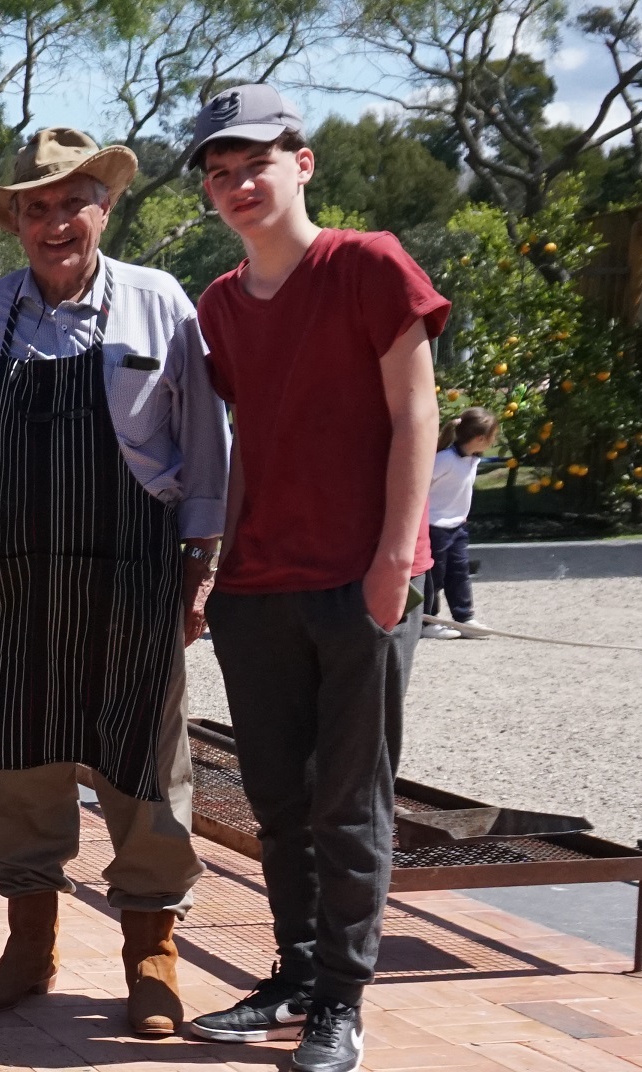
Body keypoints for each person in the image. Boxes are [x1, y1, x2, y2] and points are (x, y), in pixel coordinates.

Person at [0, 128, 230, 1036]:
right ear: (14, 220)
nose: (54, 222)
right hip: (18, 575)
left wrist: (202, 563)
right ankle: (29, 940)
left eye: (71, 202)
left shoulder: (160, 305)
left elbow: (207, 443)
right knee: (17, 758)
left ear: (106, 206)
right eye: (34, 207)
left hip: (134, 570)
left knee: (147, 763)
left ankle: (151, 953)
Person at [186, 85, 448, 1072]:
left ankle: (343, 998)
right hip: (260, 586)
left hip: (361, 580)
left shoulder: (369, 265)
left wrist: (394, 556)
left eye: (254, 162)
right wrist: (217, 564)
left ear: (303, 163)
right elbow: (246, 436)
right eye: (218, 172)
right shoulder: (220, 303)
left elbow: (416, 413)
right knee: (277, 801)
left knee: (350, 801)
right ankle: (293, 972)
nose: (237, 183)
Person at [422, 408, 498, 639]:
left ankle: (464, 618)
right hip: (434, 527)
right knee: (434, 576)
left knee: (459, 572)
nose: (494, 441)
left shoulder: (473, 460)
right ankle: (427, 621)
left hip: (457, 527)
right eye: (492, 436)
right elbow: (420, 485)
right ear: (480, 439)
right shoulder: (444, 460)